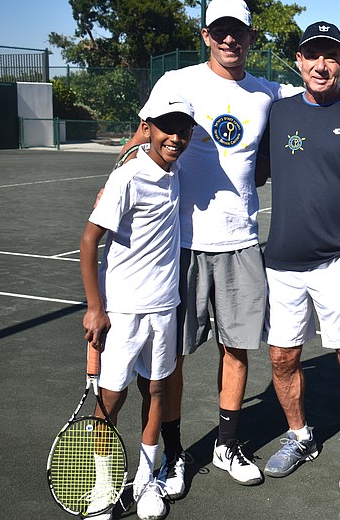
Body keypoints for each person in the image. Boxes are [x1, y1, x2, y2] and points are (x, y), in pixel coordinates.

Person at [116, 0, 300, 495]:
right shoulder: (177, 83)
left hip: (241, 242)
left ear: (249, 37)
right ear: (205, 36)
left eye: (237, 31)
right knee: (169, 357)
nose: (228, 39)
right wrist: (114, 191)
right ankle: (173, 453)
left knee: (236, 348)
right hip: (177, 246)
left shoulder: (267, 93)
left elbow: (323, 91)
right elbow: (140, 140)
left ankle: (226, 444)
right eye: (219, 30)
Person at [258, 21, 340, 491]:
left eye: (330, 56)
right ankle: (299, 437)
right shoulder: (276, 114)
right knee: (281, 358)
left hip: (339, 262)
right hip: (281, 265)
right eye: (312, 56)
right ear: (298, 61)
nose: (321, 65)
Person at [80, 94, 195, 520]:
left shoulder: (177, 170)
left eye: (183, 130)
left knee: (157, 390)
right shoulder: (128, 178)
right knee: (111, 399)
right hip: (123, 311)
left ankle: (146, 482)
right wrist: (96, 307)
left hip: (165, 306)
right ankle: (104, 487)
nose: (175, 137)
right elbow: (89, 240)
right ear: (147, 127)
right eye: (166, 127)